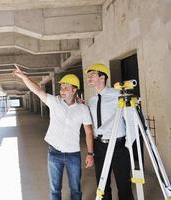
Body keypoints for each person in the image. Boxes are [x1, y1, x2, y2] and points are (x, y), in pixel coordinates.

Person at [13, 65, 94, 200]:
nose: (62, 90)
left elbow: (89, 132)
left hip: (73, 154)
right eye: (61, 87)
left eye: (66, 88)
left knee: (76, 190)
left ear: (74, 90)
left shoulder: (83, 109)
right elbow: (37, 90)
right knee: (55, 190)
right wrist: (23, 77)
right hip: (54, 153)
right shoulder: (55, 102)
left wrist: (90, 153)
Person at [85, 63, 134, 200]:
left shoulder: (118, 95)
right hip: (99, 146)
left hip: (119, 146)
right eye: (88, 76)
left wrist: (128, 144)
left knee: (124, 185)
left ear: (103, 77)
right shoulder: (92, 100)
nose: (89, 78)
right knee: (102, 184)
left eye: (92, 75)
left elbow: (131, 120)